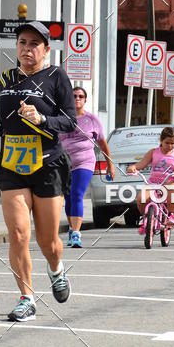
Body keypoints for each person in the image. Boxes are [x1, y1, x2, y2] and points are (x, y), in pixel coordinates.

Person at [0, 21, 77, 321]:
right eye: (22, 42)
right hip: (12, 163)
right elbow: (7, 116)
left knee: (48, 242)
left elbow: (70, 122)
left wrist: (43, 120)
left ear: (46, 49)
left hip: (48, 164)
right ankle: (26, 297)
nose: (26, 49)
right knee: (19, 234)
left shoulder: (56, 76)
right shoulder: (7, 77)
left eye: (34, 44)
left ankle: (56, 269)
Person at [59, 86, 115, 248]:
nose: (77, 98)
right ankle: (72, 229)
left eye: (81, 96)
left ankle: (76, 234)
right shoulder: (62, 117)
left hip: (85, 162)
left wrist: (110, 165)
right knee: (68, 198)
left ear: (85, 100)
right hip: (64, 163)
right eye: (74, 96)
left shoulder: (92, 120)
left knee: (77, 194)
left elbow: (103, 145)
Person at [126, 127, 174, 229]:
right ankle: (147, 217)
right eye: (167, 143)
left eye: (173, 143)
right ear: (161, 140)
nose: (170, 146)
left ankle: (171, 215)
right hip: (153, 183)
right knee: (141, 198)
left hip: (169, 182)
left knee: (173, 189)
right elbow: (141, 164)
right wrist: (133, 167)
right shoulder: (153, 152)